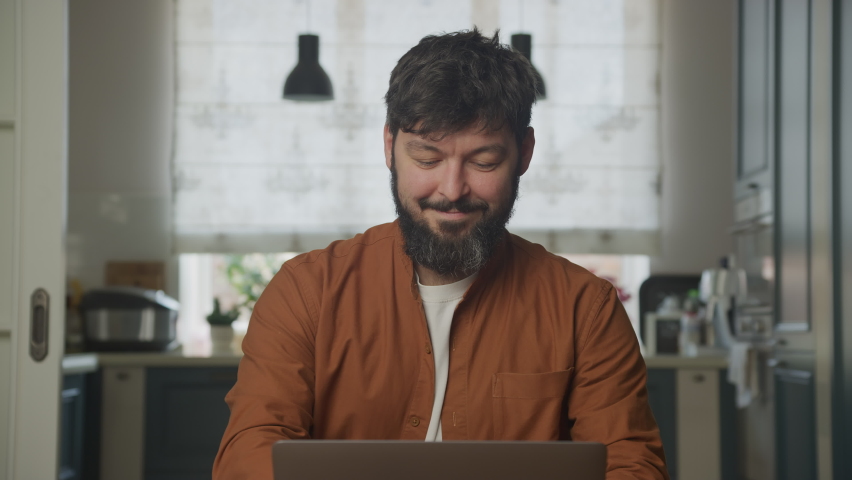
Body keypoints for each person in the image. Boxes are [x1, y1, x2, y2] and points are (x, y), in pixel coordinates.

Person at [213, 28, 669, 480]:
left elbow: (631, 465)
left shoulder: (584, 310)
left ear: (525, 153)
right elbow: (249, 456)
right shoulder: (305, 292)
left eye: (484, 161)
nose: (452, 191)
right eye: (428, 159)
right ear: (390, 147)